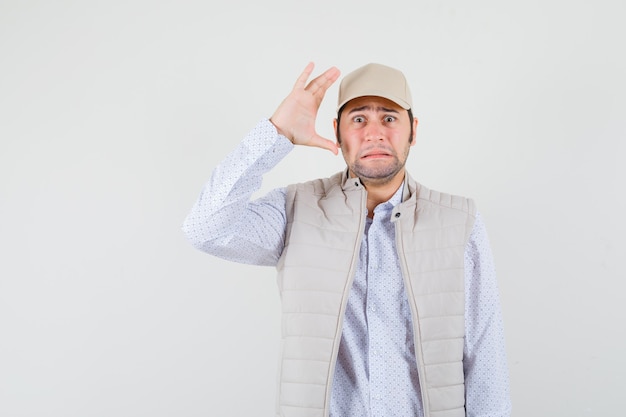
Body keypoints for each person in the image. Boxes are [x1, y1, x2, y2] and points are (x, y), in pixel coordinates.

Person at [183, 62, 511, 417]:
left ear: (413, 131)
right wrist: (276, 134)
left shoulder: (459, 221)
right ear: (337, 132)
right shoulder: (296, 210)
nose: (374, 133)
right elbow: (205, 228)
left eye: (389, 118)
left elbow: (484, 352)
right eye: (358, 119)